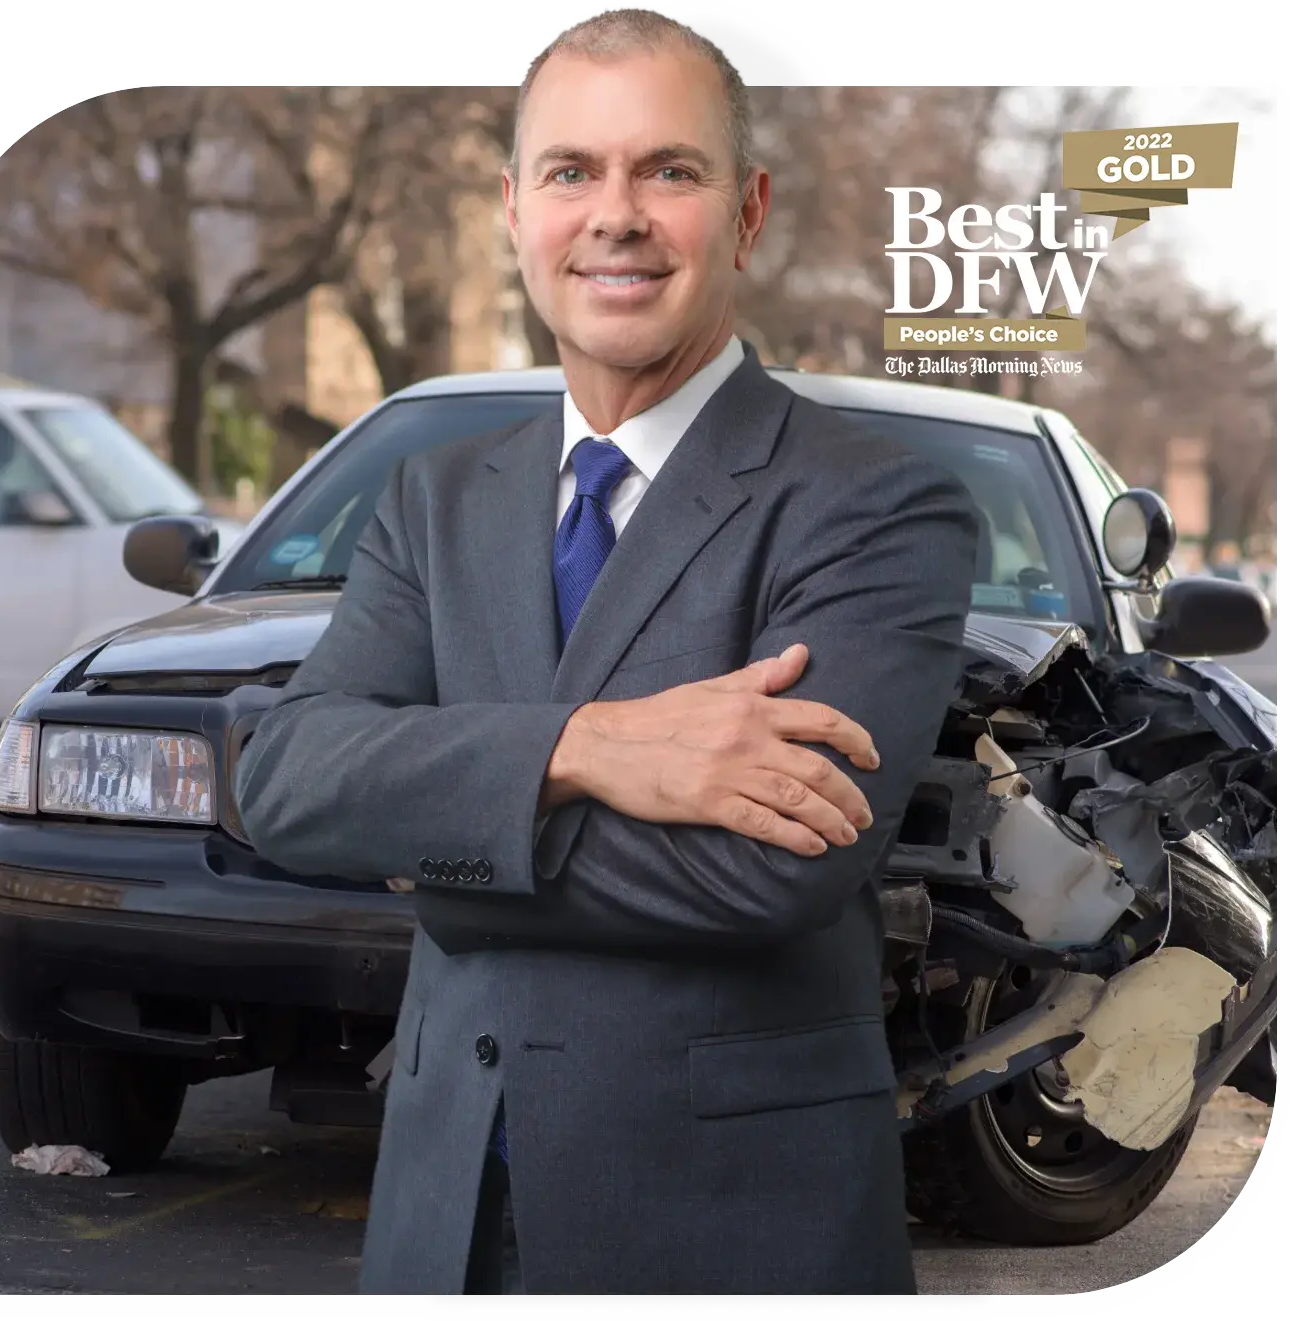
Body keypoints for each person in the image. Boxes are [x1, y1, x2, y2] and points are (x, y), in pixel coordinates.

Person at [235, 6, 979, 1294]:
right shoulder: (435, 499)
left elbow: (769, 878)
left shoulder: (874, 502)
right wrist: (587, 750)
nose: (616, 214)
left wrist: (435, 846)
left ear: (745, 212)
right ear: (511, 209)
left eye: (668, 171)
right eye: (572, 170)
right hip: (441, 1216)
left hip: (730, 1225)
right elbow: (288, 779)